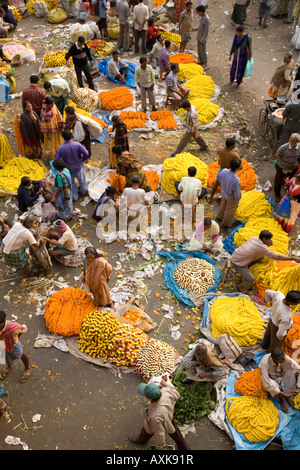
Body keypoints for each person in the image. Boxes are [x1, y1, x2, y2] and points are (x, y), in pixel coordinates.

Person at [231, 230, 300, 294]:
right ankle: (241, 286)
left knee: (261, 258)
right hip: (237, 264)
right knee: (251, 279)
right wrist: (292, 258)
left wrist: (268, 244)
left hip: (236, 255)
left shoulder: (254, 238)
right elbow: (277, 257)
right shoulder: (262, 247)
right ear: (264, 239)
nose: (270, 240)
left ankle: (249, 266)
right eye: (269, 239)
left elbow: (262, 248)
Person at [128, 380, 191, 450]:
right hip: (168, 415)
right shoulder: (165, 392)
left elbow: (159, 433)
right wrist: (166, 384)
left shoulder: (154, 416)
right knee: (176, 433)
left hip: (158, 419)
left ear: (148, 398)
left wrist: (161, 445)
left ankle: (141, 440)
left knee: (146, 430)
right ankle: (185, 448)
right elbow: (176, 393)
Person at [258, 348, 300, 413]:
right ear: (275, 360)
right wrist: (283, 394)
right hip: (271, 376)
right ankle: (282, 398)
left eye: (284, 357)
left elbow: (298, 368)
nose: (284, 359)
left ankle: (289, 393)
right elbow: (266, 383)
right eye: (282, 359)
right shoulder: (265, 363)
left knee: (296, 371)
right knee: (270, 383)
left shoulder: (284, 357)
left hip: (281, 373)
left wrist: (298, 387)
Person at [54, 129, 90, 202]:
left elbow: (56, 159)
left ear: (63, 138)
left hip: (68, 169)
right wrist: (83, 159)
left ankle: (74, 197)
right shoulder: (77, 144)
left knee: (72, 183)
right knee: (82, 180)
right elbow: (86, 153)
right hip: (78, 166)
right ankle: (84, 191)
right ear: (71, 136)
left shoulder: (61, 148)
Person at [0, 310, 30, 383]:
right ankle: (9, 367)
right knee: (6, 357)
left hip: (13, 345)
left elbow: (23, 329)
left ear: (3, 322)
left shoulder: (13, 327)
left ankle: (27, 368)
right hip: (2, 345)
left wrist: (16, 338)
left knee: (21, 355)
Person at [207, 137, 241, 203]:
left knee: (217, 183)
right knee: (226, 186)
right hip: (229, 170)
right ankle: (222, 200)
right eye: (234, 144)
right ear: (231, 146)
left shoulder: (220, 149)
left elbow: (219, 154)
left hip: (221, 168)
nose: (235, 145)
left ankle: (211, 197)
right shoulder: (234, 155)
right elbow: (239, 163)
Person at [216, 158, 242, 228]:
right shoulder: (236, 180)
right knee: (229, 210)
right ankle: (225, 224)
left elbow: (220, 178)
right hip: (231, 197)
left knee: (223, 205)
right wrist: (237, 200)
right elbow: (237, 193)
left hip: (224, 193)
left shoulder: (224, 171)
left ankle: (219, 217)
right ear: (238, 168)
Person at [274, 133, 300, 200]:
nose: (292, 142)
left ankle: (287, 194)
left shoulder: (299, 148)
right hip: (282, 167)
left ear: (298, 142)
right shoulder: (283, 147)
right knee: (278, 181)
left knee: (289, 181)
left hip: (292, 169)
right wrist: (283, 163)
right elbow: (278, 155)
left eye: (294, 141)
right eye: (291, 140)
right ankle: (277, 195)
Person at [192, 5, 209, 70]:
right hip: (199, 36)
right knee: (199, 49)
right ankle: (201, 60)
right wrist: (195, 28)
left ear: (201, 12)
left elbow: (206, 31)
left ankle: (205, 64)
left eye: (198, 12)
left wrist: (203, 39)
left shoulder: (206, 19)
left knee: (203, 50)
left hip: (202, 38)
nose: (197, 14)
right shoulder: (202, 17)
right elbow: (201, 27)